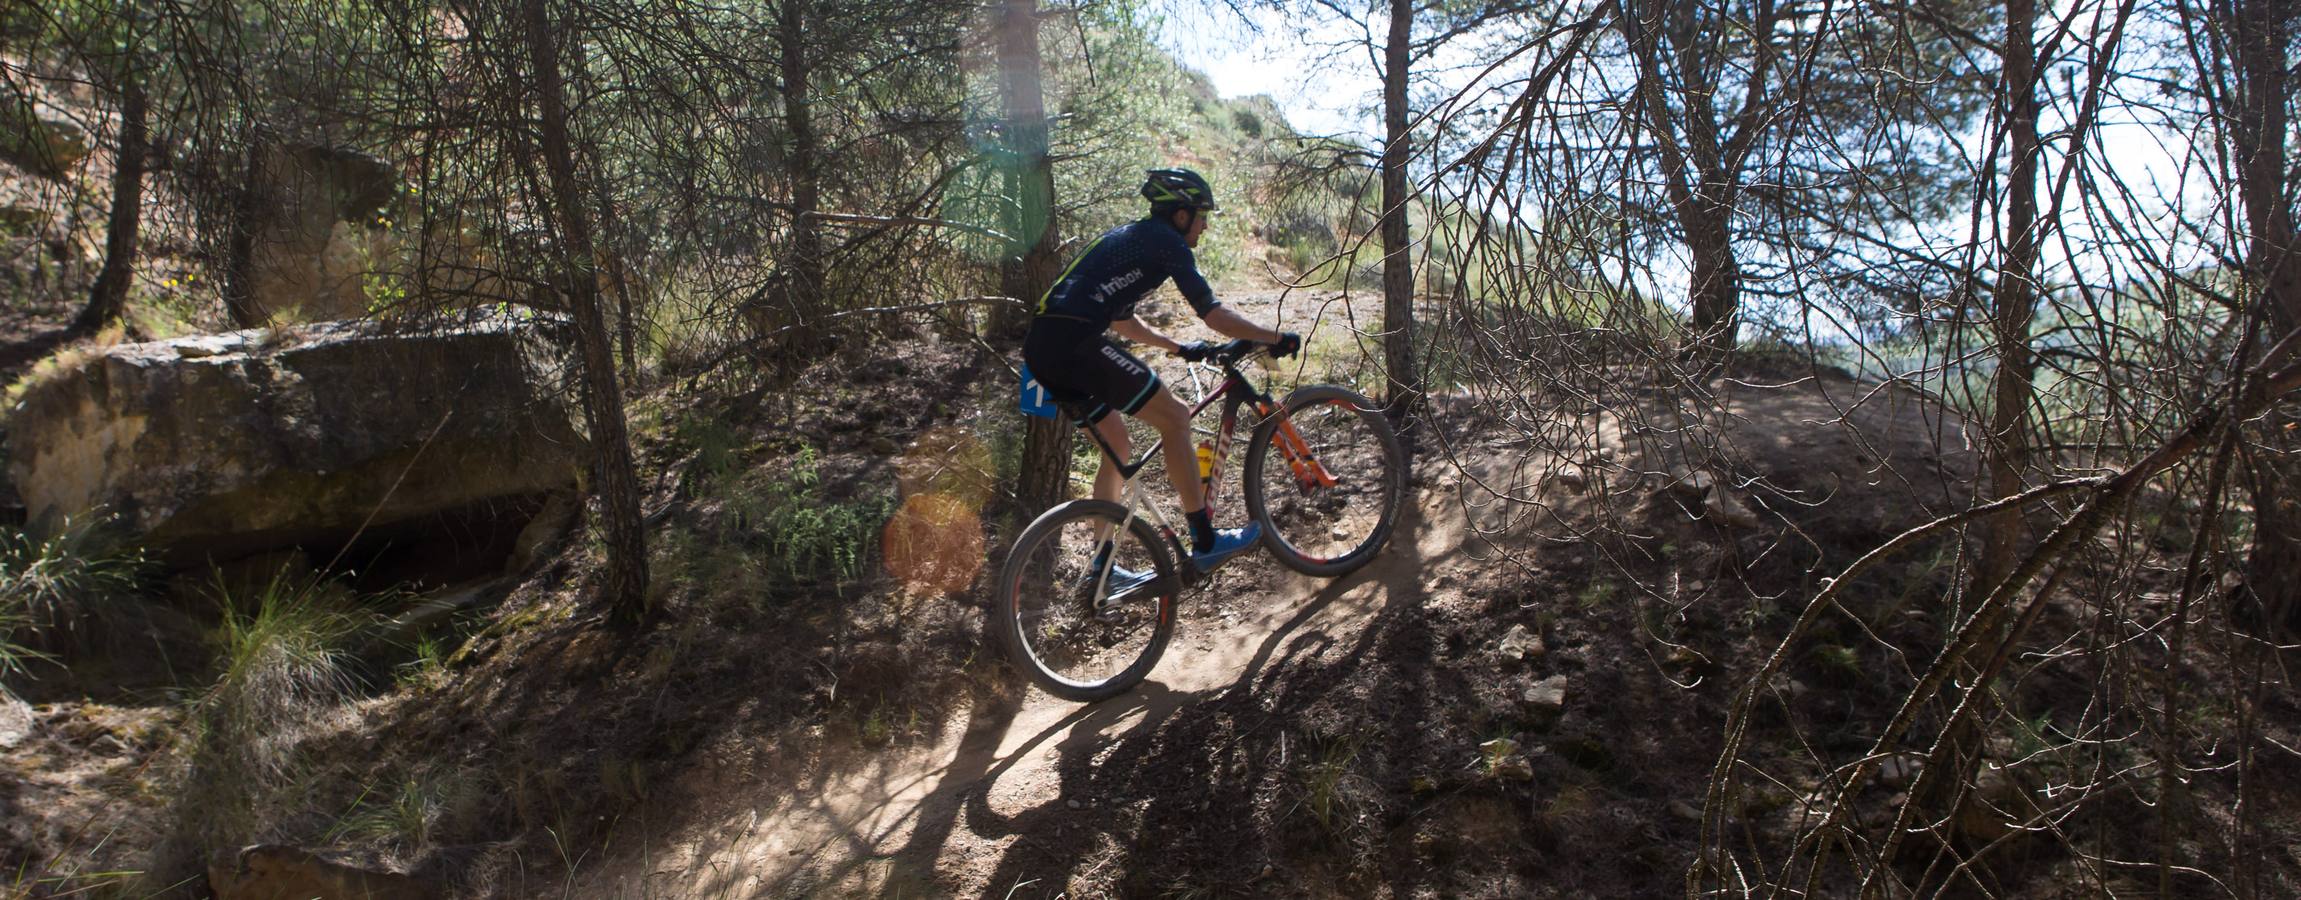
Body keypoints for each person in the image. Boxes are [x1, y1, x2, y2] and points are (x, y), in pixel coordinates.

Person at [1023, 167, 1300, 576]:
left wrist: (1179, 347)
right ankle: (1205, 541)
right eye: (1201, 216)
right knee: (1175, 417)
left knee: (1117, 447)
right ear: (1181, 215)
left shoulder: (1130, 239)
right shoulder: (1167, 243)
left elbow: (1122, 322)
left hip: (1041, 348)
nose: (1204, 226)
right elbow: (1213, 314)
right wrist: (1271, 336)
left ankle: (1101, 568)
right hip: (1075, 343)